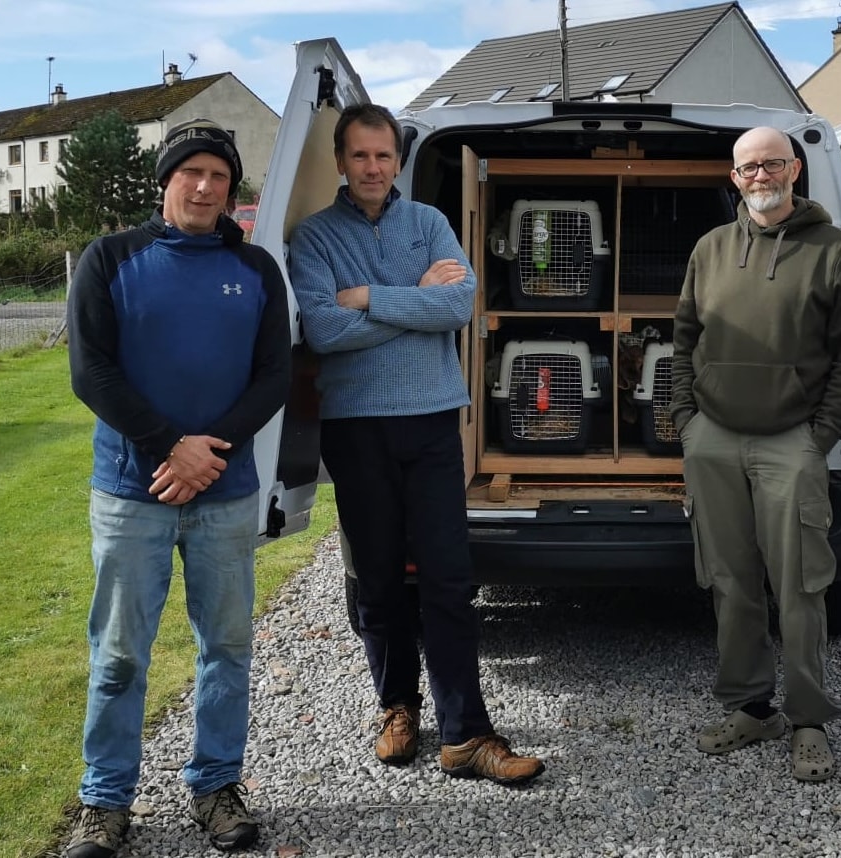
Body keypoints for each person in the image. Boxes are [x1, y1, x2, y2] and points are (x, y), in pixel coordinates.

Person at [287, 103, 544, 786]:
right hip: (355, 427)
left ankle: (466, 734)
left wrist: (365, 295)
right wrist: (409, 302)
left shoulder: (428, 223)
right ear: (341, 161)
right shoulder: (312, 238)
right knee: (377, 582)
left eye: (383, 156)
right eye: (359, 156)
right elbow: (320, 331)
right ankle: (396, 706)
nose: (372, 168)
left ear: (397, 161)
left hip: (432, 422)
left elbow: (457, 306)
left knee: (449, 582)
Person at [65, 119, 290, 856]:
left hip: (223, 494)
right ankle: (105, 802)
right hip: (133, 492)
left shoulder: (256, 269)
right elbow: (90, 372)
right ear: (163, 182)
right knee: (120, 652)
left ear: (232, 189)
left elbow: (274, 375)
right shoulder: (110, 259)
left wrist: (208, 453)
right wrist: (169, 445)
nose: (203, 187)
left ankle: (217, 787)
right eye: (189, 172)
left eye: (218, 176)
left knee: (225, 646)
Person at [670, 126, 841, 782]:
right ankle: (751, 708)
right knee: (729, 582)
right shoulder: (709, 249)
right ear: (733, 178)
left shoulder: (834, 252)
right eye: (746, 167)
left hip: (791, 442)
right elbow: (681, 338)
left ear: (793, 170)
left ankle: (808, 719)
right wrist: (685, 423)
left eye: (770, 164)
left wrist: (817, 439)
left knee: (801, 586)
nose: (759, 176)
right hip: (715, 440)